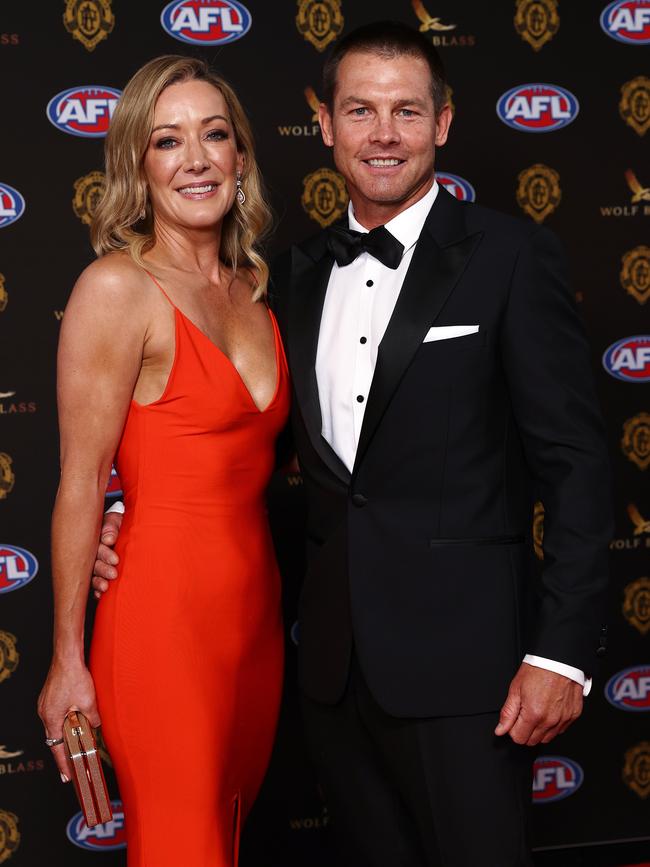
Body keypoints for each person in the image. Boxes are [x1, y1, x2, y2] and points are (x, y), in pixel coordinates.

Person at [93, 23, 612, 867]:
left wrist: (560, 653)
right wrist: (122, 513)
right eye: (360, 110)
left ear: (443, 123)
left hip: (471, 675)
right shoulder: (286, 279)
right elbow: (229, 433)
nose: (383, 134)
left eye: (407, 111)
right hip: (331, 674)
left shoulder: (514, 257)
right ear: (323, 123)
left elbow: (580, 467)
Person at [38, 56, 289, 867]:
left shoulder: (255, 289)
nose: (196, 158)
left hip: (255, 628)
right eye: (166, 140)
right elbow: (81, 484)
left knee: (230, 839)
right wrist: (67, 661)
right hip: (160, 626)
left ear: (241, 157)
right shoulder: (117, 288)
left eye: (214, 135)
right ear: (137, 168)